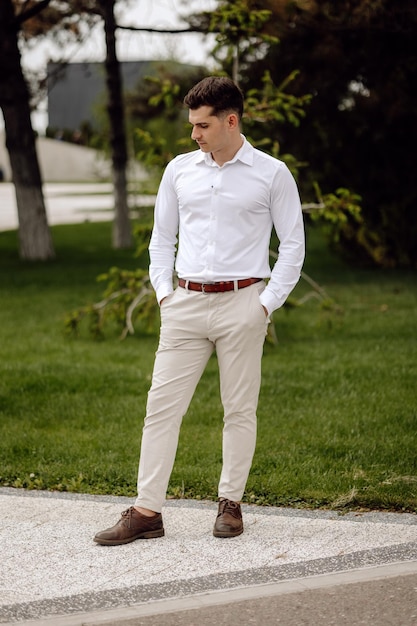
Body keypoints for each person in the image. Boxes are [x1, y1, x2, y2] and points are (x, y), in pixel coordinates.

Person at [94, 76, 305, 545]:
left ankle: (230, 504)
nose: (195, 134)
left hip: (243, 303)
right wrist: (165, 294)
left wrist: (264, 306)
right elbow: (161, 239)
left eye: (203, 125)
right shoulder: (180, 170)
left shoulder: (272, 173)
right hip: (184, 305)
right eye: (192, 125)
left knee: (239, 410)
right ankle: (147, 512)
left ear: (232, 121)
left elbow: (292, 247)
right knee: (160, 409)